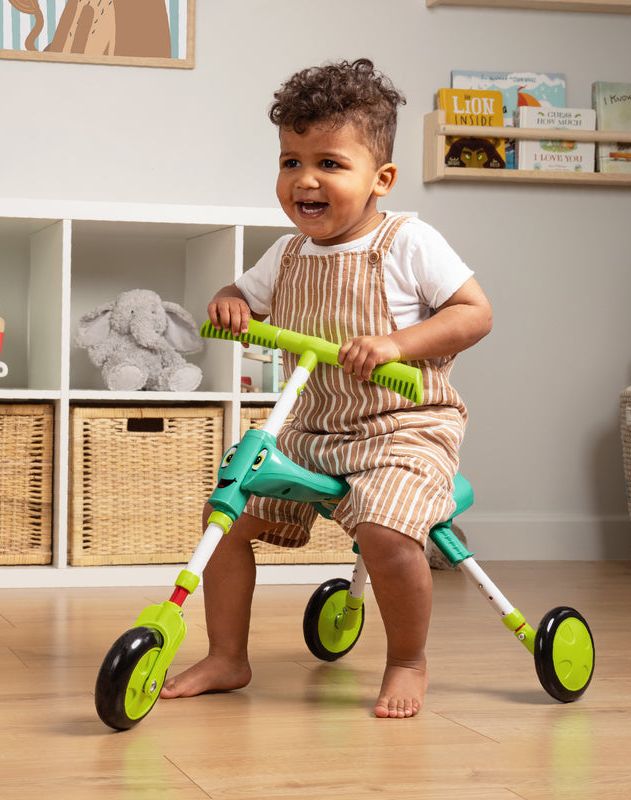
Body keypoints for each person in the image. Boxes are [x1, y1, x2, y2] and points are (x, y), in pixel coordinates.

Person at [161, 58, 492, 719]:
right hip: (311, 429)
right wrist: (230, 303)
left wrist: (398, 344)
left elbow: (473, 313)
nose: (304, 179)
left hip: (404, 427)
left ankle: (406, 659)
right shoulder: (284, 254)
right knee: (224, 521)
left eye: (330, 164)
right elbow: (241, 296)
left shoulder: (408, 242)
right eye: (290, 161)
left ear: (381, 179)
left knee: (387, 533)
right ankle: (228, 654)